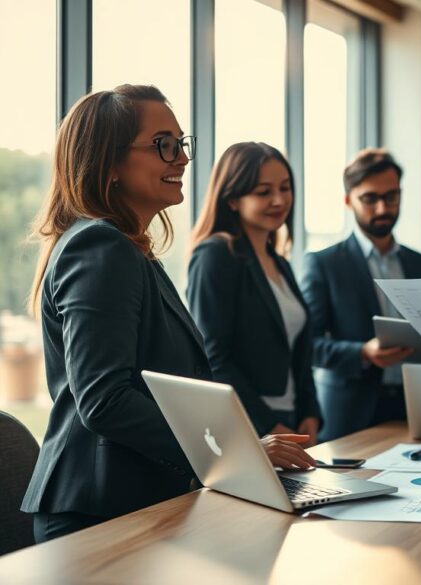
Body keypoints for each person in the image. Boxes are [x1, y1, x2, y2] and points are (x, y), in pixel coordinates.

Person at [21, 86, 315, 543]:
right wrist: (238, 454)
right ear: (109, 163)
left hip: (133, 501)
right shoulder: (100, 247)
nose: (181, 158)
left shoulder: (129, 250)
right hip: (97, 514)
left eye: (181, 143)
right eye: (163, 145)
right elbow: (105, 399)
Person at [301, 148, 421, 441]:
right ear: (349, 201)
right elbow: (308, 345)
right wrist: (363, 352)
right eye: (370, 199)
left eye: (391, 197)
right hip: (350, 414)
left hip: (419, 407)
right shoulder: (324, 264)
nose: (382, 209)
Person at [188, 142, 321, 443]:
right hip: (247, 423)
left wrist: (310, 412)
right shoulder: (216, 254)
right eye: (263, 192)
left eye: (285, 188)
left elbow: (298, 350)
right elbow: (213, 357)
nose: (279, 200)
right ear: (233, 200)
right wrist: (269, 426)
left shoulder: (280, 263)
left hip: (291, 421)